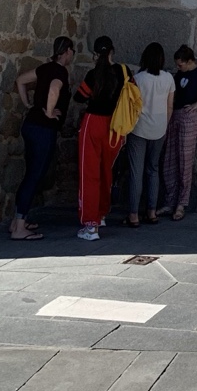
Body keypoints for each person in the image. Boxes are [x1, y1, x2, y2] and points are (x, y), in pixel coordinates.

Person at [10, 36, 74, 241]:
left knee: (30, 173)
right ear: (67, 52)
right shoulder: (60, 72)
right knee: (34, 175)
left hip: (30, 124)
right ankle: (19, 228)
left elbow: (21, 80)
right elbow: (54, 89)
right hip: (43, 129)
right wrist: (49, 111)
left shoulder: (44, 68)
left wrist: (28, 104)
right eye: (72, 51)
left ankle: (17, 221)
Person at [74, 36, 126, 241]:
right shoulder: (123, 72)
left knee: (89, 173)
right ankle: (102, 213)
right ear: (112, 51)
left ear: (95, 54)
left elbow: (79, 97)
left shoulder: (93, 75)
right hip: (115, 126)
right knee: (106, 171)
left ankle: (91, 225)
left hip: (94, 122)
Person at [162, 45, 197, 220]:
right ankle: (169, 201)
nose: (178, 67)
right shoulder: (180, 74)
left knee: (185, 161)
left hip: (188, 117)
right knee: (170, 159)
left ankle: (181, 203)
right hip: (175, 115)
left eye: (180, 64)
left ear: (189, 61)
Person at [124, 42, 174, 226]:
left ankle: (133, 215)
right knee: (153, 169)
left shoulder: (138, 78)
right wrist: (164, 124)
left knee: (136, 172)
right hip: (159, 128)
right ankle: (152, 212)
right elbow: (170, 105)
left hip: (139, 128)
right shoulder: (168, 78)